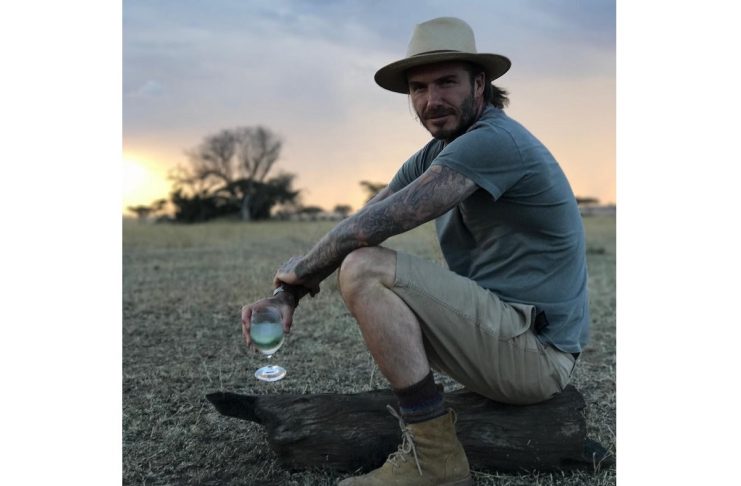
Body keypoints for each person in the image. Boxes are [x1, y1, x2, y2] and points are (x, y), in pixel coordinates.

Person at [241, 16, 589, 486]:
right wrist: (286, 295)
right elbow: (365, 214)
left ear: (479, 84)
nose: (431, 100)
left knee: (364, 269)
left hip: (538, 355)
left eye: (447, 82)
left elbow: (372, 229)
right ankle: (433, 445)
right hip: (505, 334)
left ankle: (434, 459)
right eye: (418, 88)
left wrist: (297, 279)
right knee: (360, 264)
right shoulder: (439, 152)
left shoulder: (494, 141)